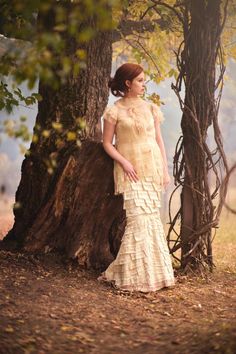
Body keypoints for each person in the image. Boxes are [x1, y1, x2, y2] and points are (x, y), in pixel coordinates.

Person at [98, 62, 175, 292]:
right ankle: (132, 277)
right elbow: (106, 143)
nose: (144, 85)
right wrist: (123, 161)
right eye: (140, 81)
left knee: (151, 218)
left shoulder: (151, 108)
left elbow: (159, 141)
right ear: (127, 83)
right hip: (130, 170)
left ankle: (156, 276)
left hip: (152, 169)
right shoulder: (115, 111)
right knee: (137, 220)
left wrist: (165, 168)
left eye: (144, 80)